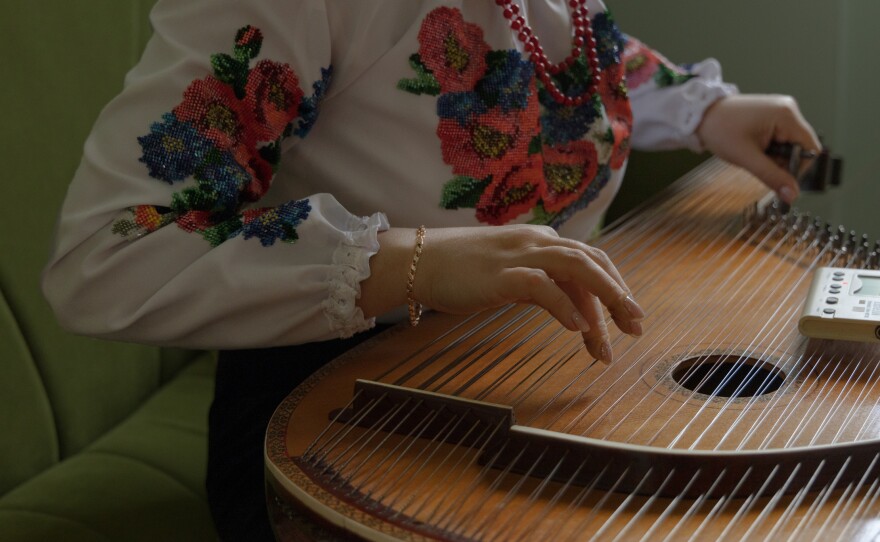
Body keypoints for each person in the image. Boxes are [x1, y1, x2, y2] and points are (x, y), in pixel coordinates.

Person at [41, 0, 821, 539]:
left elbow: (560, 63)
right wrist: (413, 262)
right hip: (337, 427)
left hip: (546, 375)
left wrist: (700, 109)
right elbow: (104, 253)